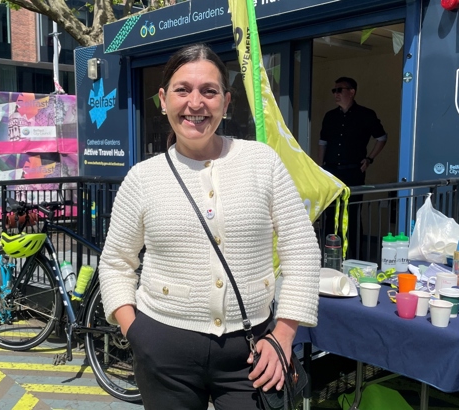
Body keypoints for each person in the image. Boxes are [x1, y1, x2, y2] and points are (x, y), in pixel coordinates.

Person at [99, 43, 321, 410]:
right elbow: (116, 263)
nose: (195, 103)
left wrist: (284, 334)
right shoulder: (142, 178)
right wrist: (135, 333)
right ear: (163, 99)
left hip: (252, 352)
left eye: (209, 91)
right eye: (182, 90)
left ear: (226, 101)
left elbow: (301, 249)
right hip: (163, 350)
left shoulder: (261, 162)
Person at [318, 77, 387, 257]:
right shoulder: (330, 116)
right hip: (331, 171)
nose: (336, 94)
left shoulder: (366, 115)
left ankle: (354, 256)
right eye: (334, 91)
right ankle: (329, 255)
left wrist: (369, 159)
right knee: (330, 214)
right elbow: (322, 143)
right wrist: (319, 167)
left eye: (339, 90)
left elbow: (381, 138)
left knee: (352, 214)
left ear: (352, 92)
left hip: (353, 171)